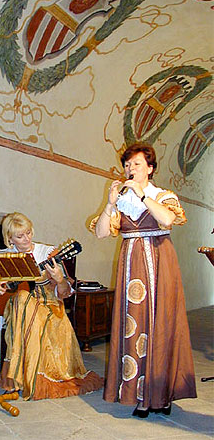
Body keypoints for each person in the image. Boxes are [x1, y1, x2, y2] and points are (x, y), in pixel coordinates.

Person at [90, 142, 196, 418]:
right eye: (127, 164)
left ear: (150, 168)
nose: (130, 168)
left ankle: (160, 393)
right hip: (131, 267)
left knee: (161, 324)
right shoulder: (121, 200)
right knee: (133, 322)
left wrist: (142, 195)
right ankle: (136, 393)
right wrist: (110, 204)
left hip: (160, 263)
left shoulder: (162, 195)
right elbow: (101, 233)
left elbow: (168, 220)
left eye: (136, 164)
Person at [0, 212, 103, 401]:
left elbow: (64, 292)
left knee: (23, 302)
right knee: (22, 298)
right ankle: (20, 376)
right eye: (20, 236)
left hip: (49, 305)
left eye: (29, 233)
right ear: (9, 238)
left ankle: (23, 378)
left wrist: (60, 278)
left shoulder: (47, 254)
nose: (27, 239)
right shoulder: (6, 257)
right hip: (20, 307)